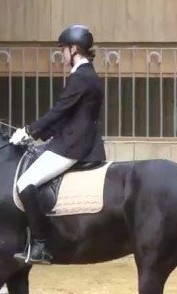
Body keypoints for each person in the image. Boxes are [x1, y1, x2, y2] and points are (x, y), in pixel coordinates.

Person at [9, 24, 106, 265]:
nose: (61, 54)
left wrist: (29, 131)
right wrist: (38, 134)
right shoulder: (85, 75)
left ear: (74, 49)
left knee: (25, 182)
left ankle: (41, 245)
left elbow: (59, 111)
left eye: (63, 50)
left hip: (75, 145)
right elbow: (67, 116)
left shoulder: (82, 77)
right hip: (71, 139)